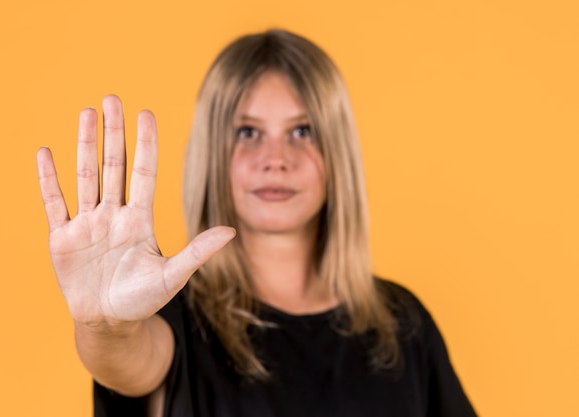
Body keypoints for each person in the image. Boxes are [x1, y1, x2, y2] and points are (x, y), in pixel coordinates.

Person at [36, 29, 477, 417]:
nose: (276, 160)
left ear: (337, 153)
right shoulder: (172, 316)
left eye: (303, 131)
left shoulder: (402, 323)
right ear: (214, 154)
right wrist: (105, 326)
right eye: (248, 132)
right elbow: (129, 364)